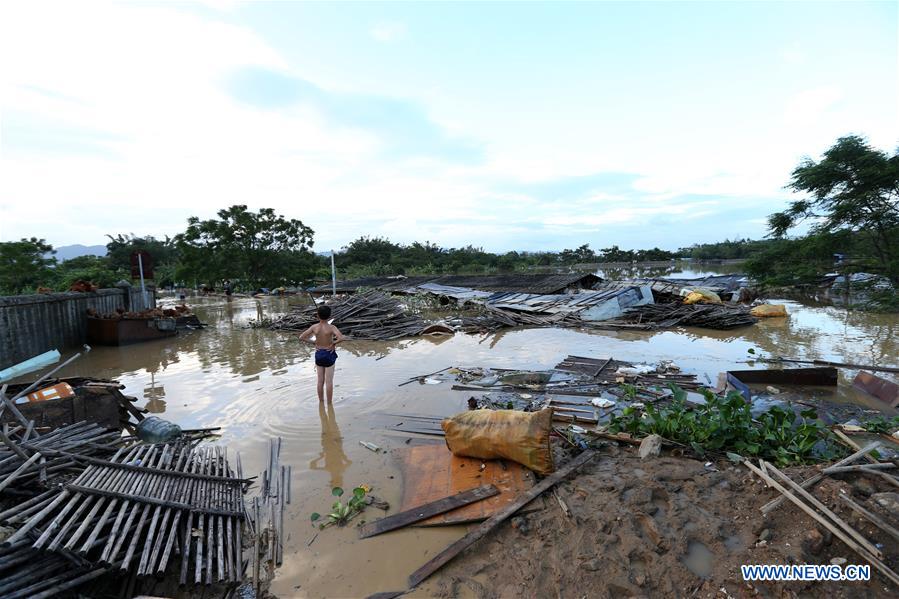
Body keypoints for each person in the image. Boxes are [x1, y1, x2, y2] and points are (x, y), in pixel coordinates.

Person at [298, 305, 345, 402]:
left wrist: (314, 342)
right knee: (329, 382)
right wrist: (333, 344)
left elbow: (301, 337)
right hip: (329, 353)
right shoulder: (332, 327)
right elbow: (341, 338)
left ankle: (321, 402)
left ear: (318, 316)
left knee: (320, 381)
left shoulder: (314, 327)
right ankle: (329, 403)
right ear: (329, 316)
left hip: (319, 354)